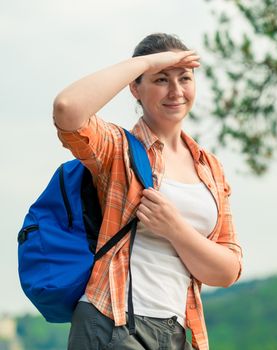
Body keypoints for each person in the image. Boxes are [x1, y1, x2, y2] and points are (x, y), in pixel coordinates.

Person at [53, 33, 243, 350]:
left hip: (179, 330)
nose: (176, 91)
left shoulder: (210, 168)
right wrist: (147, 61)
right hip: (112, 321)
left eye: (184, 78)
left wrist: (175, 228)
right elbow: (67, 109)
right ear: (135, 88)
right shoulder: (118, 149)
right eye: (160, 79)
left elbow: (227, 270)